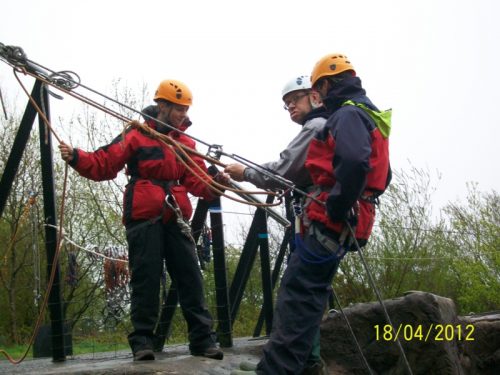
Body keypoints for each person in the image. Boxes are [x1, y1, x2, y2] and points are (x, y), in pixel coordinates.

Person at [231, 53, 391, 374]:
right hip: (343, 224)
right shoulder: (365, 116)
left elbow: (351, 163)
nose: (315, 97)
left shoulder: (343, 117)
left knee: (296, 299)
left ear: (327, 86)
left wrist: (335, 204)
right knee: (307, 300)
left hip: (327, 224)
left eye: (314, 91)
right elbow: (382, 175)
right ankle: (305, 367)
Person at [59, 79, 225, 362]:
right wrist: (76, 157)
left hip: (174, 215)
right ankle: (143, 341)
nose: (183, 114)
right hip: (144, 215)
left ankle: (202, 339)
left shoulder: (185, 143)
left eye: (185, 109)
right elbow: (105, 162)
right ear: (162, 106)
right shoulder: (137, 134)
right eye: (178, 109)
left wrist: (215, 184)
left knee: (190, 277)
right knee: (145, 278)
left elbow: (196, 179)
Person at [225, 75, 330, 375]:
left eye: (293, 101)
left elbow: (284, 169)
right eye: (286, 105)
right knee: (309, 294)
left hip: (316, 222)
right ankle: (308, 362)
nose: (290, 108)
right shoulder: (328, 126)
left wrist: (243, 172)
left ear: (314, 97)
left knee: (295, 294)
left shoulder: (316, 126)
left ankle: (284, 368)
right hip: (320, 219)